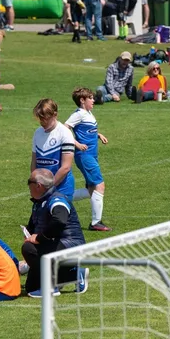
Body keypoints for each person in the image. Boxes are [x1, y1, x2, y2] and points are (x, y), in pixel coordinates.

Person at [23, 168, 87, 297]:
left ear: (38, 185)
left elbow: (59, 221)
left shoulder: (57, 200)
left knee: (29, 248)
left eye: (29, 181)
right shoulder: (39, 202)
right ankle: (75, 274)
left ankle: (51, 287)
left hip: (71, 245)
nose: (27, 185)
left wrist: (40, 238)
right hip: (54, 245)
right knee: (31, 287)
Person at [65, 88, 111, 232]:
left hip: (92, 154)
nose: (93, 100)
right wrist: (76, 144)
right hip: (84, 156)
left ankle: (62, 198)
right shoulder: (77, 114)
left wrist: (98, 134)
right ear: (82, 100)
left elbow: (87, 130)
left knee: (91, 189)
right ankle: (96, 223)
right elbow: (64, 129)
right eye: (90, 98)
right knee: (99, 185)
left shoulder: (88, 113)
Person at [31, 98, 77, 197]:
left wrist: (48, 188)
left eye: (45, 118)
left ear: (55, 115)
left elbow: (66, 167)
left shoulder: (64, 133)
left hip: (62, 189)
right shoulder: (37, 133)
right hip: (42, 189)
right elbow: (34, 161)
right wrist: (34, 183)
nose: (42, 122)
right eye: (40, 118)